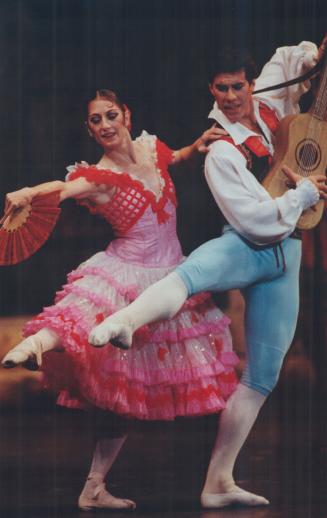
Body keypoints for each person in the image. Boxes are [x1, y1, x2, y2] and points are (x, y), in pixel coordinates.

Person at [88, 39, 327, 509]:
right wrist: (302, 196)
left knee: (263, 376)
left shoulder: (271, 105)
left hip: (289, 256)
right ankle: (124, 322)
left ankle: (218, 481)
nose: (231, 96)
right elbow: (254, 221)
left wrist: (313, 56)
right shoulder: (220, 150)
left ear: (251, 83)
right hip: (251, 245)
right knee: (193, 273)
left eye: (238, 86)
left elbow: (289, 59)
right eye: (221, 89)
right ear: (211, 90)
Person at [1, 89, 239, 510]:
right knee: (83, 314)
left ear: (126, 115)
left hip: (171, 276)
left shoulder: (150, 146)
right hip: (128, 272)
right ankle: (34, 345)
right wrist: (27, 192)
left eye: (111, 115)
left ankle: (94, 488)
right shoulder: (97, 176)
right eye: (96, 121)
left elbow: (172, 158)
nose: (106, 125)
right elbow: (60, 188)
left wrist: (194, 147)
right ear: (90, 130)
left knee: (125, 399)